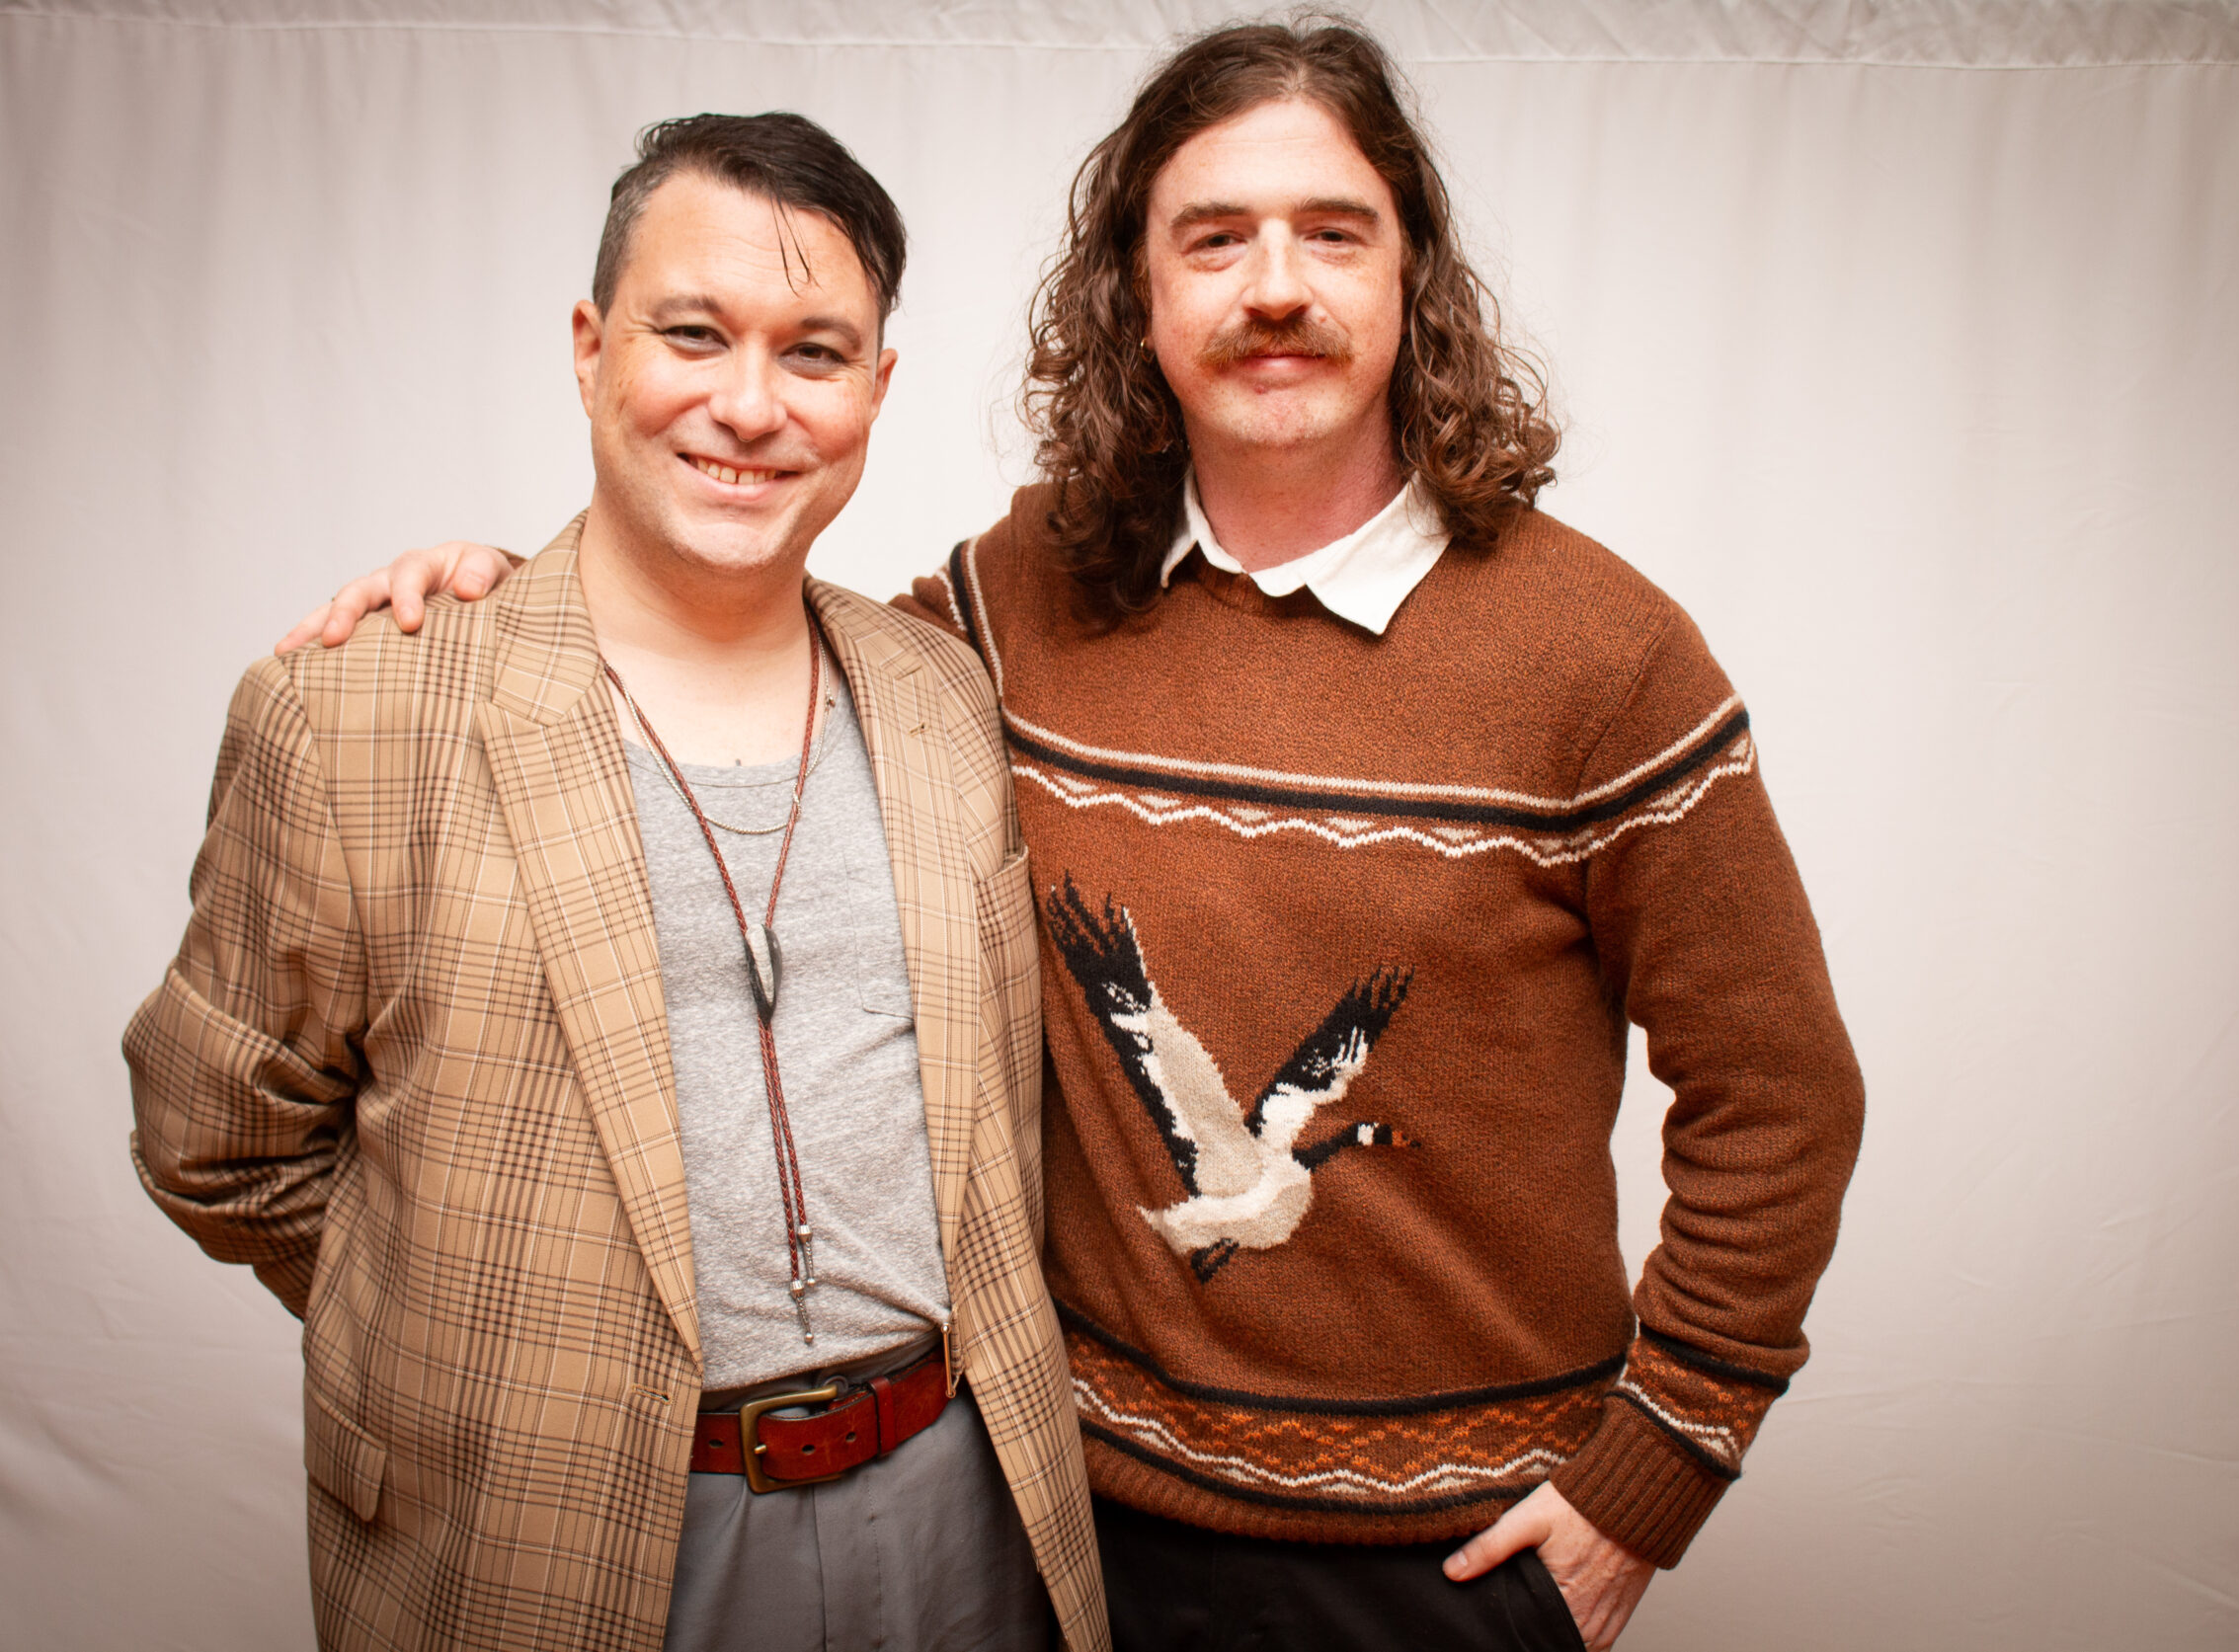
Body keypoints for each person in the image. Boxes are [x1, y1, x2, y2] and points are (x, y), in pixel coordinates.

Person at [291, 22, 1866, 1652]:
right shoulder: (1026, 594)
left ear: (1413, 275)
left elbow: (1782, 1097)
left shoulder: (1602, 653)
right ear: (1139, 293)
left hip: (1452, 1563)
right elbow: (748, 640)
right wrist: (511, 600)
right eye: (1213, 238)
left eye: (1332, 232)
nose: (1273, 286)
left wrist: (1647, 1477)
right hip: (1066, 1534)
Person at [127, 111, 1107, 1652]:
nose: (748, 404)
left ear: (876, 391)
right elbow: (215, 1144)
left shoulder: (944, 694)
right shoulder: (360, 713)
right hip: (562, 1533)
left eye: (814, 352)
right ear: (590, 350)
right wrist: (482, 1327)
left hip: (961, 1506)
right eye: (694, 334)